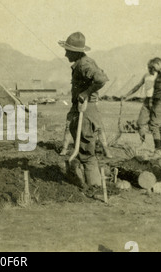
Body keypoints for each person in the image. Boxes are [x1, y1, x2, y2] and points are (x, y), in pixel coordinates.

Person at [58, 32, 109, 187]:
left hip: (86, 109)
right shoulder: (82, 62)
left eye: (68, 50)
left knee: (87, 152)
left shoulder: (84, 64)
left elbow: (101, 79)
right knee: (82, 148)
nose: (65, 54)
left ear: (75, 51)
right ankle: (88, 183)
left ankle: (95, 188)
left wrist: (86, 93)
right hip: (81, 107)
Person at [123, 61, 158, 146]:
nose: (150, 70)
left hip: (156, 101)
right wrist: (127, 95)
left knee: (155, 124)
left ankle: (158, 147)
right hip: (147, 100)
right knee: (140, 122)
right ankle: (143, 142)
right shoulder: (146, 76)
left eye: (151, 68)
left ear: (155, 68)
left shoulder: (159, 76)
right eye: (149, 68)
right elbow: (138, 86)